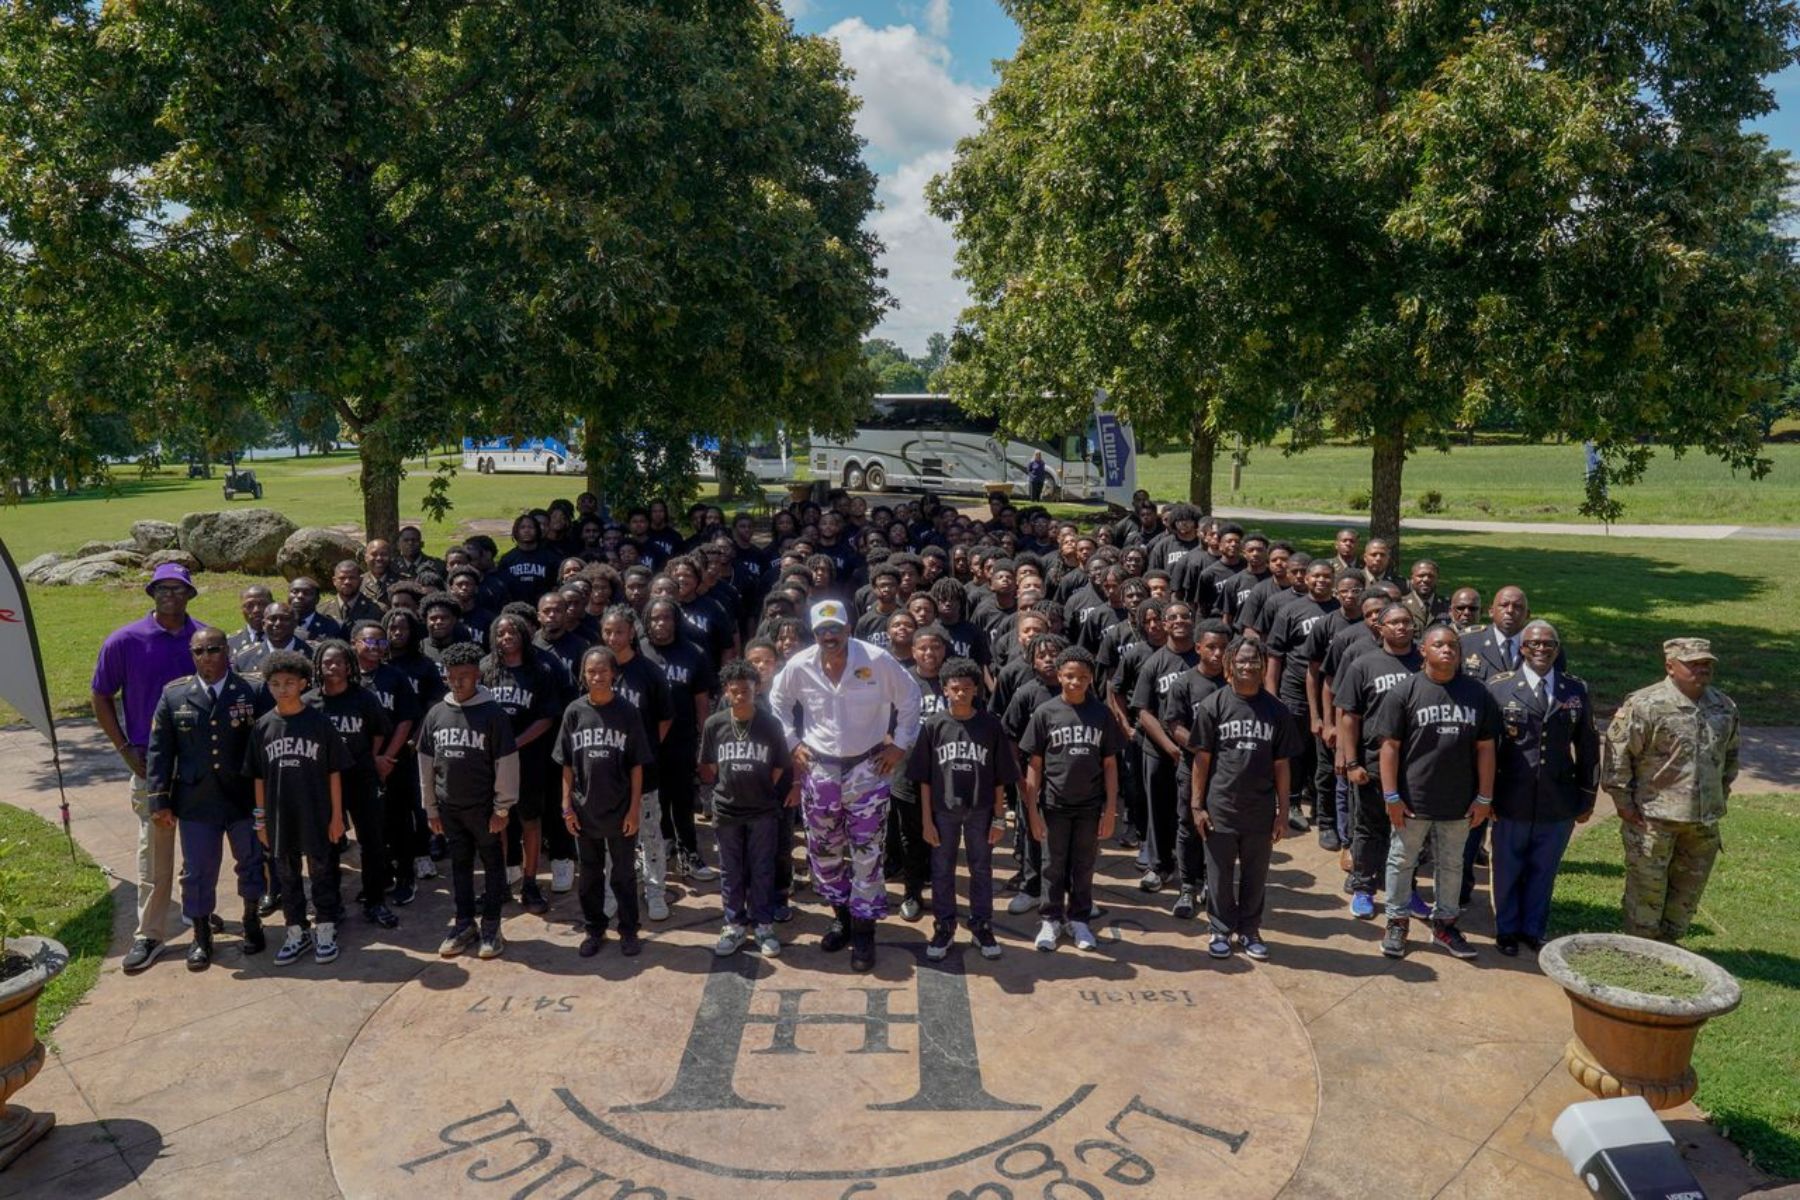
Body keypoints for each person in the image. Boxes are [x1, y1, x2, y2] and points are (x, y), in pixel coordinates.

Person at [767, 599, 922, 973]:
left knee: (868, 853)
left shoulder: (876, 660)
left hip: (867, 768)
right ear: (815, 634)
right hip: (819, 770)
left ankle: (865, 930)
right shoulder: (800, 665)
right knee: (824, 851)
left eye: (835, 629)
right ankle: (843, 918)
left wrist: (900, 745)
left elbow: (911, 698)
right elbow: (777, 702)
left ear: (848, 629)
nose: (829, 636)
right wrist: (792, 743)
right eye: (822, 631)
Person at [92, 562, 206, 974]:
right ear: (152, 593)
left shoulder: (204, 640)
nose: (170, 595)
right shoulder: (124, 640)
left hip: (197, 762)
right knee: (155, 849)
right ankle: (151, 934)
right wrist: (124, 747)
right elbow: (101, 695)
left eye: (178, 588)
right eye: (163, 588)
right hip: (149, 762)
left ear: (190, 594)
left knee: (201, 845)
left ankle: (199, 914)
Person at [1370, 624, 1500, 960]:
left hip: (1460, 801)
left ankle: (1444, 925)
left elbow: (1486, 748)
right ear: (1423, 650)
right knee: (1401, 861)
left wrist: (1484, 797)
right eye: (1439, 645)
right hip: (1413, 800)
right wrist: (1391, 796)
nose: (1447, 650)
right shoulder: (1405, 691)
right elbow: (1389, 747)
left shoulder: (1478, 693)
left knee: (1452, 865)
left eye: (1453, 646)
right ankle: (1397, 922)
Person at [144, 626, 267, 970]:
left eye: (213, 649)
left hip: (243, 797)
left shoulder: (252, 690)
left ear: (227, 651)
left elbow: (266, 741)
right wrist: (159, 800)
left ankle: (252, 920)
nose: (206, 657)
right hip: (197, 800)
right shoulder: (174, 695)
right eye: (199, 651)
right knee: (197, 870)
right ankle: (201, 935)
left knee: (251, 861)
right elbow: (160, 752)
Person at [1602, 638, 1739, 942]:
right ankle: (1640, 952)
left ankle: (1669, 949)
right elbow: (1618, 758)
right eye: (1693, 664)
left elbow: (1729, 758)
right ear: (1670, 666)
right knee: (1646, 896)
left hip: (1702, 824)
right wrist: (1624, 804)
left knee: (1684, 899)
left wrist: (1718, 798)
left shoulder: (1724, 706)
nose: (1702, 669)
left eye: (1706, 663)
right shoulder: (1645, 704)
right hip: (1653, 819)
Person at [1487, 620, 1598, 955]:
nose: (1541, 649)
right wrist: (1485, 795)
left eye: (1548, 644)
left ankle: (1533, 930)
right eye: (1533, 643)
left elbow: (1588, 745)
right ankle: (1507, 930)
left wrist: (1588, 794)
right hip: (1511, 797)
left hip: (1557, 799)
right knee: (1507, 868)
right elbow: (1487, 747)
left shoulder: (1574, 690)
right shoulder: (1500, 688)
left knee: (1544, 869)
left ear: (1557, 649)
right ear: (1522, 648)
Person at [1190, 636, 1304, 961]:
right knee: (1219, 875)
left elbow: (1282, 765)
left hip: (1260, 808)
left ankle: (1250, 930)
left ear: (1264, 665)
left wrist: (1283, 811)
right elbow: (1201, 760)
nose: (1248, 666)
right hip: (1221, 806)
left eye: (1254, 660)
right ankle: (1220, 929)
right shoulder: (1213, 705)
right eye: (1241, 660)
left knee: (1256, 875)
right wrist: (1197, 805)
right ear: (1229, 665)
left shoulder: (1277, 711)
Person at [246, 651, 353, 967]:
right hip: (280, 815)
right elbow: (257, 777)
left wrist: (337, 816)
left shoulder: (319, 723)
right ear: (268, 686)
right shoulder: (263, 726)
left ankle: (326, 927)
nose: (283, 689)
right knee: (286, 876)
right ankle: (296, 930)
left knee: (322, 872)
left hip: (317, 812)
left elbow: (334, 773)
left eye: (289, 683)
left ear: (304, 683)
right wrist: (261, 821)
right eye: (275, 683)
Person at [417, 642, 519, 961]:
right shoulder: (437, 713)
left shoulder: (493, 714)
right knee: (459, 866)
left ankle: (491, 926)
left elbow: (507, 762)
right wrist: (431, 808)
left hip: (485, 809)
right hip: (449, 808)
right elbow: (425, 764)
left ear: (477, 675)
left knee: (492, 864)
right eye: (451, 676)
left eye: (464, 676)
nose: (457, 682)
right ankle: (464, 924)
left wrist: (502, 808)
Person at [1019, 645, 1123, 953]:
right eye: (1069, 676)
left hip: (1090, 805)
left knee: (1084, 864)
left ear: (1091, 679)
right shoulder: (1046, 713)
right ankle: (1050, 919)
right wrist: (1032, 811)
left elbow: (1110, 765)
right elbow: (1034, 765)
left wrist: (1110, 809)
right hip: (1054, 804)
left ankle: (1079, 920)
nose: (1075, 682)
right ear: (1059, 676)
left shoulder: (1101, 714)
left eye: (1082, 677)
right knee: (1052, 865)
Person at [912, 656, 1017, 961]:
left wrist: (999, 818)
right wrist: (926, 821)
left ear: (976, 690)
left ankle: (981, 925)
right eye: (955, 688)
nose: (960, 693)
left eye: (967, 688)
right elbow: (924, 779)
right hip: (943, 811)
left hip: (980, 810)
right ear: (945, 689)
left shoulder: (990, 725)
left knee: (981, 868)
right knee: (941, 869)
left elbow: (1000, 778)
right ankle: (944, 927)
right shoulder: (934, 725)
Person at [556, 646, 655, 959]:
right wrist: (566, 806)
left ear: (614, 674)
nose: (597, 676)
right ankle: (594, 929)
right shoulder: (574, 712)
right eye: (591, 671)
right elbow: (567, 764)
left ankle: (628, 930)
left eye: (602, 670)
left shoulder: (627, 712)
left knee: (623, 874)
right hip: (584, 809)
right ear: (583, 675)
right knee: (589, 875)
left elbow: (637, 765)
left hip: (620, 807)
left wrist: (634, 809)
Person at [698, 661, 793, 959]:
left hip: (762, 809)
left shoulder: (770, 724)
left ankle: (763, 925)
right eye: (735, 691)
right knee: (730, 870)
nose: (740, 696)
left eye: (746, 691)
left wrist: (760, 786)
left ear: (757, 689)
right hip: (727, 809)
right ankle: (734, 925)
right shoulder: (714, 724)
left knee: (762, 867)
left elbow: (779, 765)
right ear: (726, 691)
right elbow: (711, 766)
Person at [305, 640, 399, 930]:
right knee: (329, 843)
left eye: (339, 662)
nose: (332, 667)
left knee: (372, 841)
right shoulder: (309, 702)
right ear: (318, 666)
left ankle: (375, 901)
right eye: (327, 662)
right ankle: (331, 904)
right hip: (323, 782)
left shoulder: (364, 698)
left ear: (349, 666)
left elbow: (379, 730)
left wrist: (373, 757)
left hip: (360, 778)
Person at [227, 584, 273, 656]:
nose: (256, 610)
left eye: (262, 604)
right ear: (241, 609)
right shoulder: (230, 643)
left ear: (272, 605)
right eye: (249, 605)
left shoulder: (288, 638)